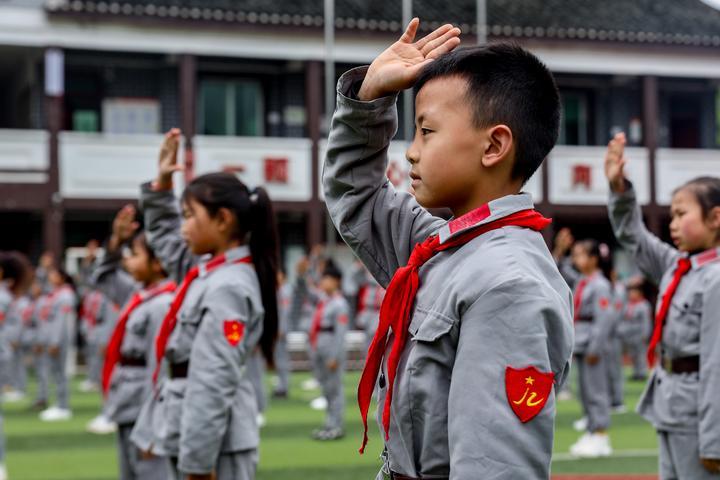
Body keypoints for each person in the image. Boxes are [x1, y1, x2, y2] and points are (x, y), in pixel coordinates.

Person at [323, 19, 573, 477]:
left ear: (494, 145)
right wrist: (368, 100)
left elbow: (493, 467)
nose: (411, 152)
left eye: (427, 131)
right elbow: (357, 196)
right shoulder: (445, 248)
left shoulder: (508, 283)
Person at [130, 129, 279, 480]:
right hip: (195, 427)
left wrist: (198, 463)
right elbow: (167, 241)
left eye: (189, 215)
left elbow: (213, 378)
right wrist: (162, 186)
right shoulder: (209, 271)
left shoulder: (228, 286)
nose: (182, 227)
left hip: (215, 442)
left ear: (223, 220)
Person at [606, 132, 720, 478]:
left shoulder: (715, 279)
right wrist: (619, 190)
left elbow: (716, 365)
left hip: (699, 414)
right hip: (669, 403)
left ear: (715, 218)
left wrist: (714, 441)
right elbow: (634, 237)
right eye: (671, 215)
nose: (673, 224)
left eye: (681, 214)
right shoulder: (677, 265)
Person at [94, 204, 174, 480]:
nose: (127, 261)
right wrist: (116, 242)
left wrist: (155, 425)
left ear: (158, 263)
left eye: (135, 255)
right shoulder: (139, 293)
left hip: (144, 407)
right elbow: (102, 277)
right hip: (126, 403)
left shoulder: (163, 304)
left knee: (151, 473)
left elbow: (159, 367)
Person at [568, 240, 615, 457]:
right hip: (581, 341)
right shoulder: (582, 281)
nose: (575, 259)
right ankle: (591, 430)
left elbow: (604, 319)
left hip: (591, 343)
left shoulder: (600, 285)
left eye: (580, 255)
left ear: (594, 259)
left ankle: (601, 435)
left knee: (596, 391)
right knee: (585, 391)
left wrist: (595, 347)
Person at [296, 258, 350, 440]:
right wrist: (301, 276)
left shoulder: (339, 304)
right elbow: (305, 292)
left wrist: (335, 356)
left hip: (330, 349)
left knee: (334, 389)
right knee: (327, 389)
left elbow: (340, 334)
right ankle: (329, 424)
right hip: (319, 347)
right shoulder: (324, 300)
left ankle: (336, 426)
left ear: (336, 281)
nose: (323, 282)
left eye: (327, 279)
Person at [38, 267, 77, 422]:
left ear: (62, 277)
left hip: (59, 340)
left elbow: (62, 321)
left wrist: (55, 341)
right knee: (56, 373)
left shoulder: (65, 295)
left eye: (54, 274)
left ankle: (63, 406)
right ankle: (59, 403)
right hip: (52, 339)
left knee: (61, 373)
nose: (51, 277)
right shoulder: (55, 293)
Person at [617, 278, 652, 381]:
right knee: (633, 355)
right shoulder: (628, 305)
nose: (631, 294)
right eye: (630, 292)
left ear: (639, 293)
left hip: (639, 333)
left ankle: (642, 373)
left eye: (634, 292)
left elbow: (646, 321)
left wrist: (645, 334)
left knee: (640, 354)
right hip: (629, 334)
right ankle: (636, 372)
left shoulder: (644, 305)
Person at [272, 269, 292, 399]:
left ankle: (283, 387)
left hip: (281, 330)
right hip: (277, 329)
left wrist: (281, 328)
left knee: (282, 359)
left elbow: (285, 311)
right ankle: (281, 385)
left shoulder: (285, 291)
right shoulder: (279, 290)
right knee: (279, 359)